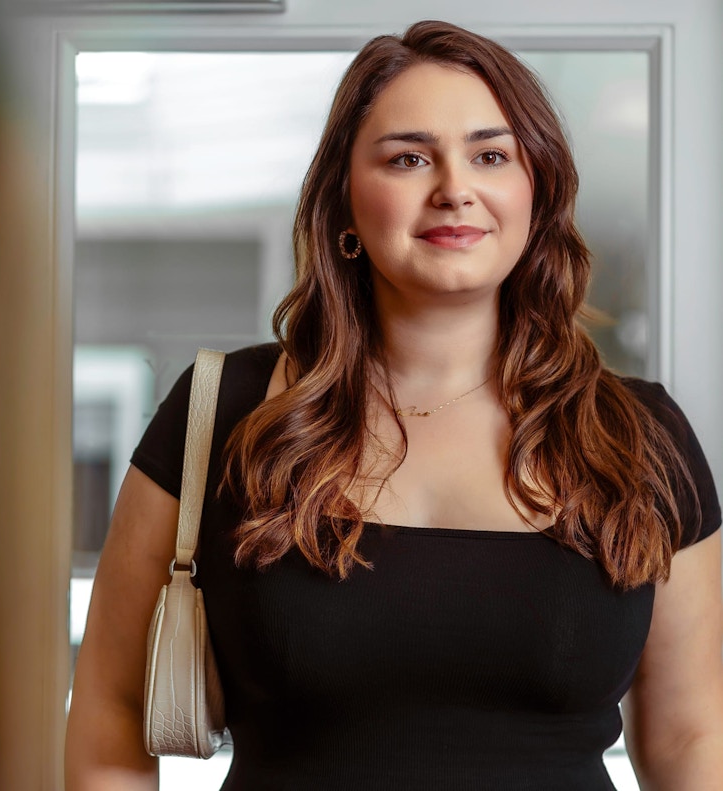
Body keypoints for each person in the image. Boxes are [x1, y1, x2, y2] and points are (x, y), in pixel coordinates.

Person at [65, 20, 723, 790]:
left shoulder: (640, 439)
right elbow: (111, 716)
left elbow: (690, 736)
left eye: (490, 154)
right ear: (344, 202)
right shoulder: (224, 413)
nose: (454, 188)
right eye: (409, 157)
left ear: (534, 192)